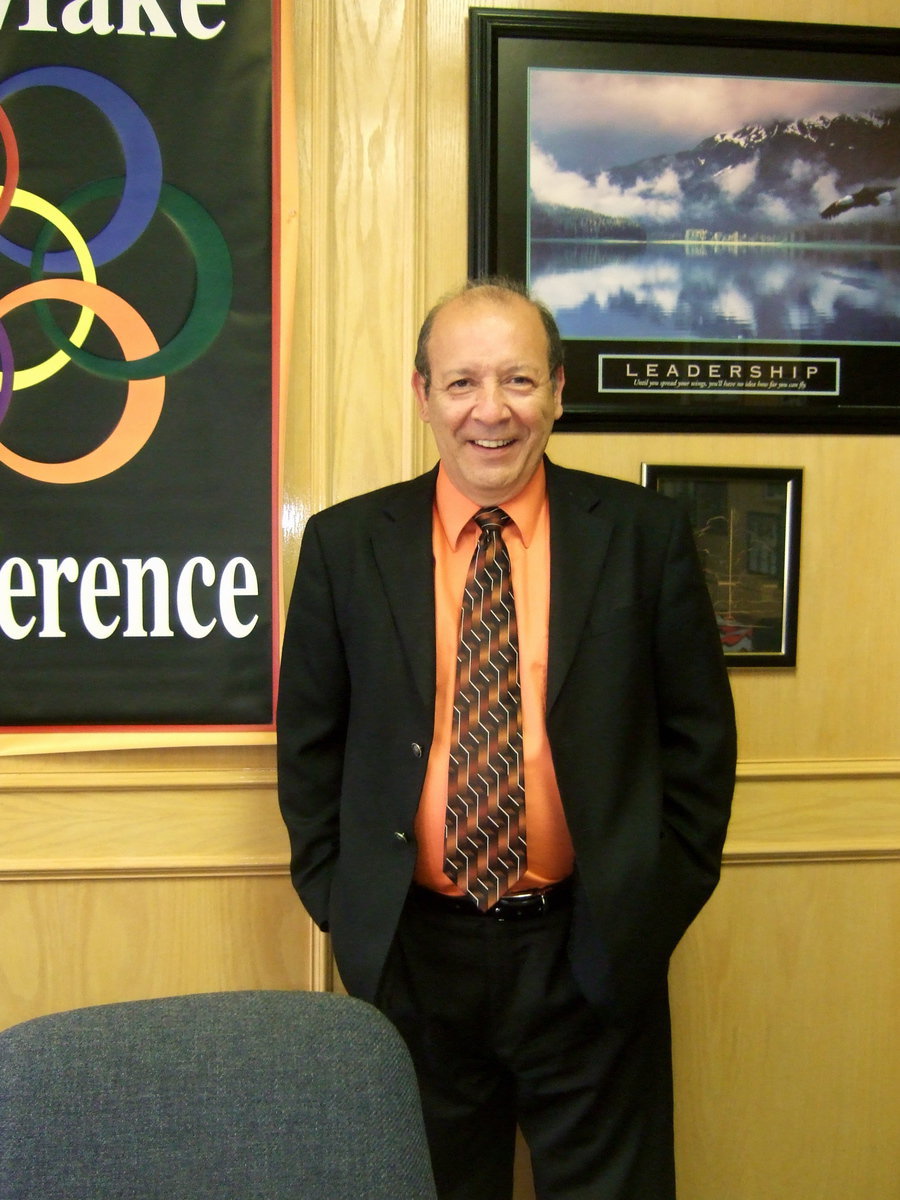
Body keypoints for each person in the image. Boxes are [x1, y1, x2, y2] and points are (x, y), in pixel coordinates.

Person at [277, 279, 737, 1200]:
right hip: (412, 956)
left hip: (593, 948)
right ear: (422, 395)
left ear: (558, 391)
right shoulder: (343, 543)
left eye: (519, 380)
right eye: (461, 383)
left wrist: (649, 903)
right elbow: (310, 747)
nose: (491, 410)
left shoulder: (642, 537)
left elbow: (700, 742)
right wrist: (346, 901)